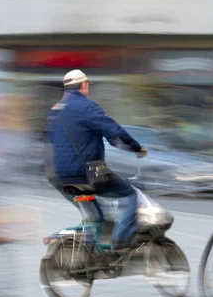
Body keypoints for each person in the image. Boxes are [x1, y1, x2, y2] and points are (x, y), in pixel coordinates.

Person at [44, 69, 147, 250]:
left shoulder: (55, 110)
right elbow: (114, 134)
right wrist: (136, 148)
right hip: (87, 175)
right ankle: (120, 243)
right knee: (131, 195)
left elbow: (50, 142)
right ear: (84, 85)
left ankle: (89, 254)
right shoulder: (87, 107)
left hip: (60, 178)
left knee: (95, 219)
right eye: (87, 85)